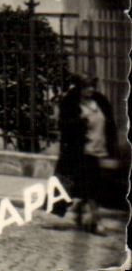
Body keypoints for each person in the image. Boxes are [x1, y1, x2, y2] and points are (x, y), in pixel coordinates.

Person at [57, 74, 119, 232]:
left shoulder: (100, 102)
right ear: (79, 88)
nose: (90, 89)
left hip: (101, 150)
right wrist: (80, 121)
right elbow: (64, 126)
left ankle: (79, 209)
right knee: (93, 188)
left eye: (92, 86)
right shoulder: (71, 104)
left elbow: (110, 125)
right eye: (86, 86)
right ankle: (96, 222)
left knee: (91, 187)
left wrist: (113, 150)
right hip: (83, 152)